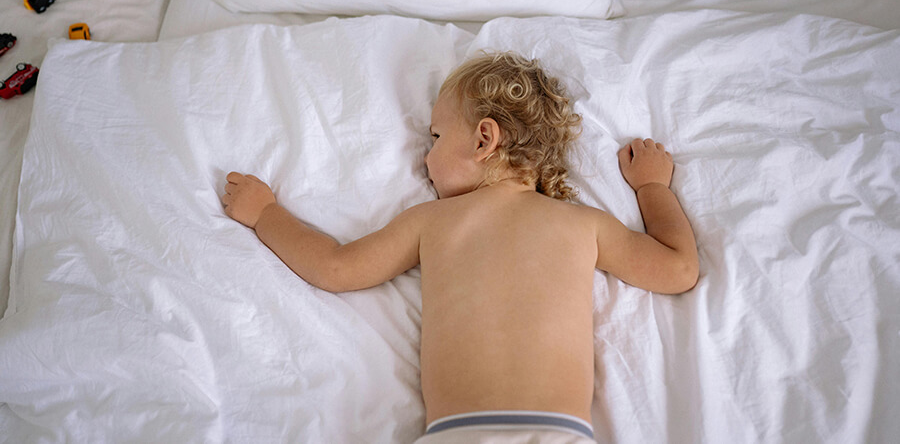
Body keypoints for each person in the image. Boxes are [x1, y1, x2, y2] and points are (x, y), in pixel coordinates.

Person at [221, 51, 698, 443]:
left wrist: (266, 215)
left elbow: (334, 267)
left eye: (436, 136)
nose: (425, 155)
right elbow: (677, 269)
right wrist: (652, 187)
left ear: (483, 140)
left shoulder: (434, 222)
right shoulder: (583, 225)